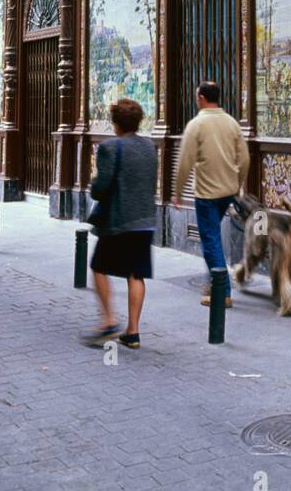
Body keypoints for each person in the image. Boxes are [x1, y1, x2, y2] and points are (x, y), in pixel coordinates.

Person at [83, 98, 157, 349]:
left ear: (116, 123)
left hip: (119, 221)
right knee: (136, 273)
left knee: (98, 266)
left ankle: (108, 320)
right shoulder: (149, 146)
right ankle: (133, 331)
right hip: (145, 221)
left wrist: (94, 186)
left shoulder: (110, 147)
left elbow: (101, 187)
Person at [173, 81, 250, 307]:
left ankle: (223, 292)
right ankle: (212, 282)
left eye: (197, 96)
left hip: (206, 195)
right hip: (227, 191)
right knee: (214, 237)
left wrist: (177, 192)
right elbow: (244, 159)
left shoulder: (196, 125)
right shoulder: (232, 123)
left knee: (211, 241)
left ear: (202, 98)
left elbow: (184, 162)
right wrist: (237, 184)